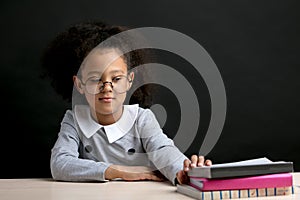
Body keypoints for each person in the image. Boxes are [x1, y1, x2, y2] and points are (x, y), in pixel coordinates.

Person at [41, 20, 212, 185]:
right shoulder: (74, 120)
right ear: (79, 84)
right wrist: (117, 171)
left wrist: (184, 170)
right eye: (95, 79)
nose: (107, 87)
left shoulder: (141, 118)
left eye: (116, 79)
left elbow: (163, 150)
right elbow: (60, 164)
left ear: (130, 80)